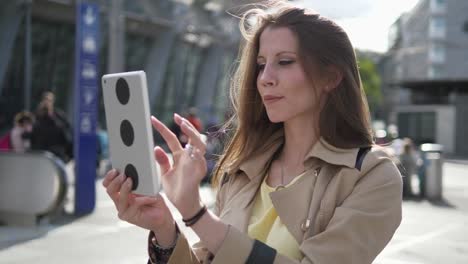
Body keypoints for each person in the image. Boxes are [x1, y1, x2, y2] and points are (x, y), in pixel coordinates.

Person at [103, 2, 402, 264]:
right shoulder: (243, 169)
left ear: (331, 77)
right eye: (261, 65)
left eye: (284, 62)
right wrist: (166, 227)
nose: (265, 79)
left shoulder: (371, 175)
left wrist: (196, 215)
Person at [31, 91, 73, 162]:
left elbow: (65, 132)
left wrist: (51, 116)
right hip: (40, 154)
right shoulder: (37, 115)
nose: (47, 102)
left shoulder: (59, 115)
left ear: (53, 101)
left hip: (56, 154)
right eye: (45, 100)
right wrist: (39, 114)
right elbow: (32, 132)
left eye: (49, 100)